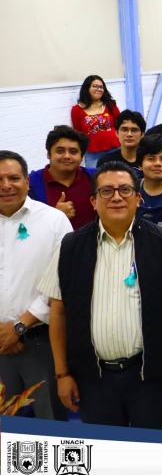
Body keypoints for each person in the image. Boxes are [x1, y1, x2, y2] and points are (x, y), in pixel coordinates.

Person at [39, 162, 162, 429]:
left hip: (151, 375)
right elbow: (58, 312)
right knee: (105, 458)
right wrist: (62, 373)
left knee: (154, 455)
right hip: (92, 377)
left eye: (125, 190)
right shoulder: (70, 246)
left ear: (138, 198)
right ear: (93, 201)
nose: (117, 197)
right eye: (106, 191)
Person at [0, 151, 72, 421]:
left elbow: (62, 282)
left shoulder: (53, 221)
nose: (6, 185)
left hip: (42, 341)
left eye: (14, 178)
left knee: (50, 421)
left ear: (28, 181)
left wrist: (19, 326)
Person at [28, 126, 97, 230]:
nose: (67, 156)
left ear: (82, 156)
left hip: (91, 244)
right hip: (50, 245)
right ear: (48, 154)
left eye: (73, 152)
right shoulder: (31, 184)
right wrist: (55, 216)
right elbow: (23, 227)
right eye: (60, 151)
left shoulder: (96, 178)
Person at [71, 76, 121, 168]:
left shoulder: (110, 105)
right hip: (93, 154)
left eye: (101, 87)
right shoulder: (77, 110)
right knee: (95, 179)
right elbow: (78, 134)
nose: (99, 89)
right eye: (95, 86)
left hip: (115, 149)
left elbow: (121, 125)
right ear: (87, 88)